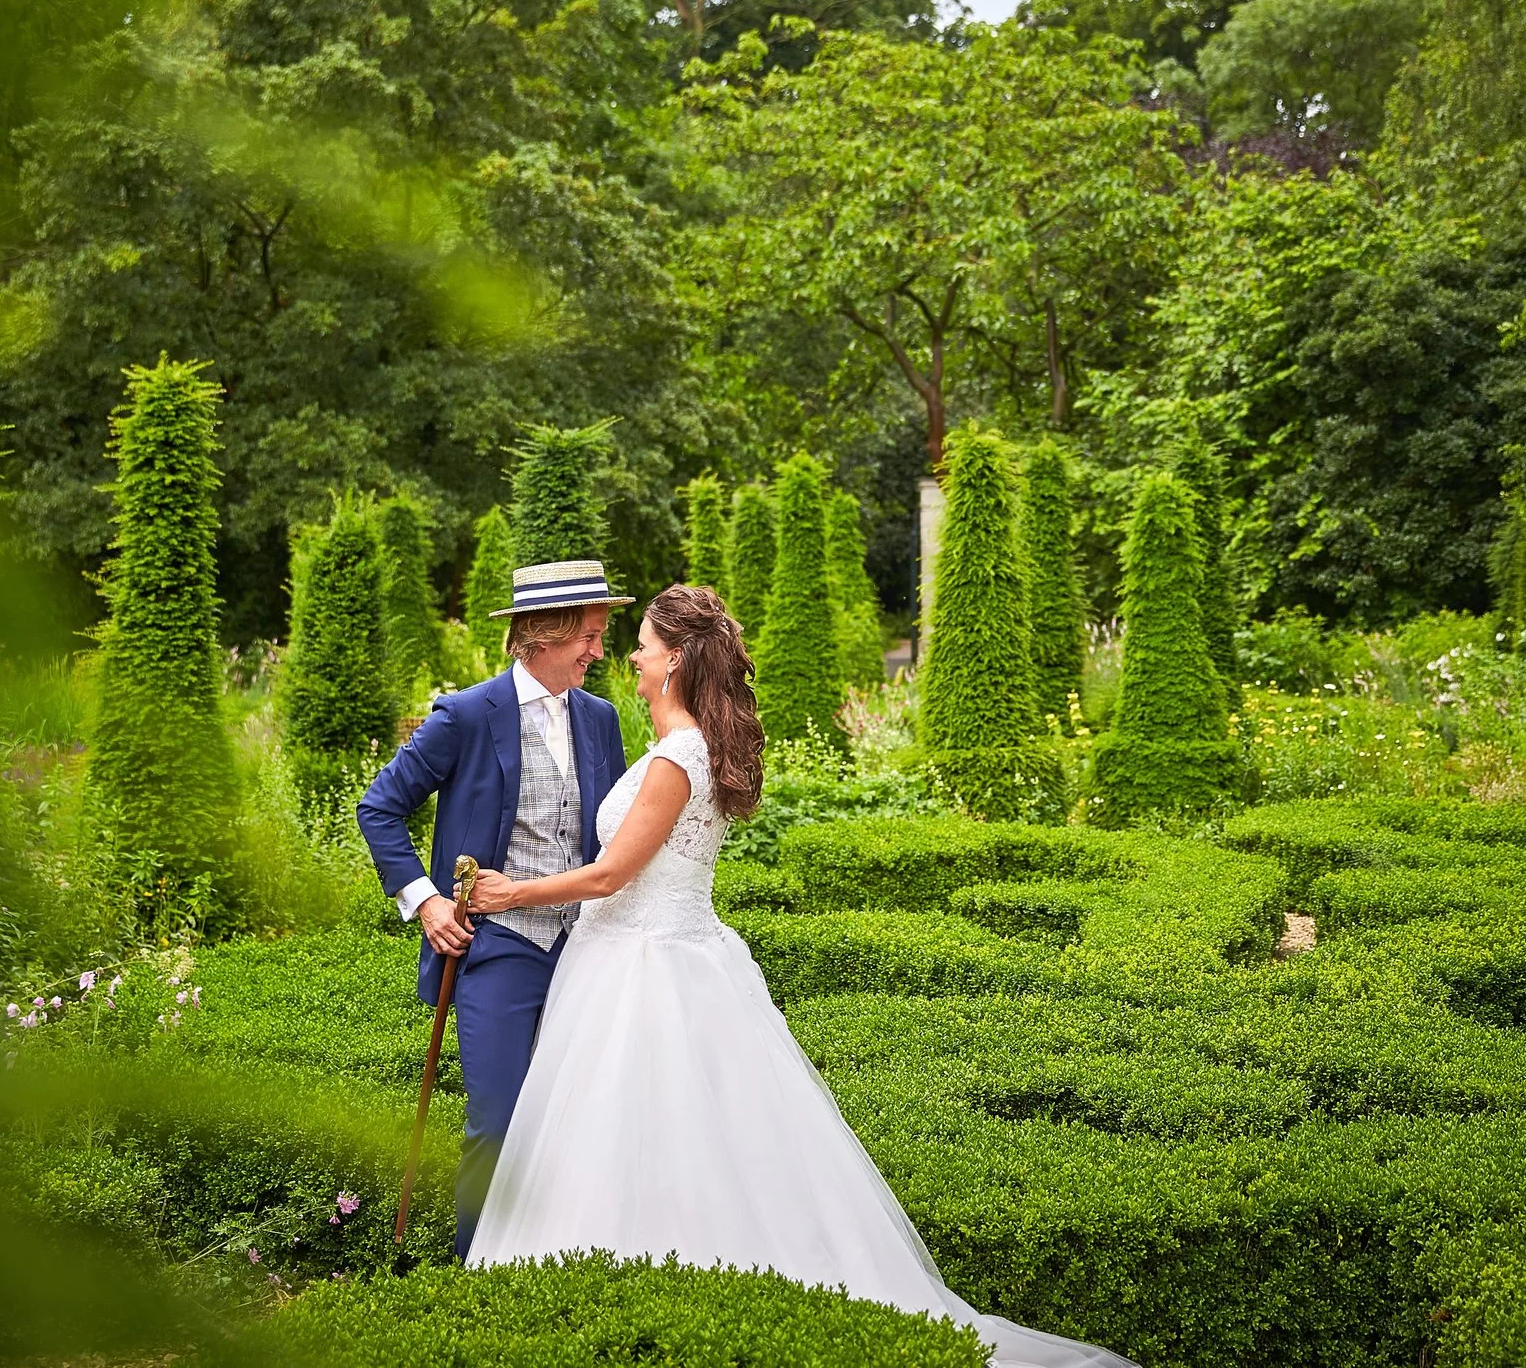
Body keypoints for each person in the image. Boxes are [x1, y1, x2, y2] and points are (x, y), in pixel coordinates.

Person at [462, 584, 1135, 1368]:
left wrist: (513, 890)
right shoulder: (676, 746)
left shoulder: (679, 757)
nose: (630, 655)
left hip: (644, 971)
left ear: (674, 660)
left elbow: (611, 875)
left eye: (642, 643)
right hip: (635, 959)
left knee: (640, 1136)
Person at [355, 558, 632, 1260]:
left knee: (579, 1121)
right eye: (589, 637)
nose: (599, 652)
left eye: (600, 636)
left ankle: (559, 1261)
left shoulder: (599, 720)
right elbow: (380, 807)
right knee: (499, 1120)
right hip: (498, 946)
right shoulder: (466, 714)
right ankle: (473, 1270)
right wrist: (424, 901)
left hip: (586, 950)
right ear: (543, 633)